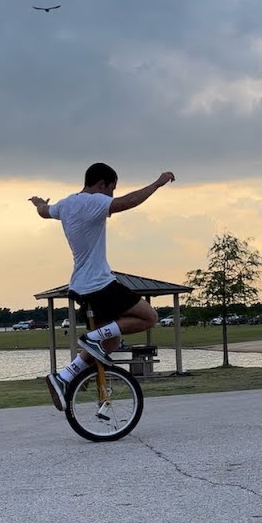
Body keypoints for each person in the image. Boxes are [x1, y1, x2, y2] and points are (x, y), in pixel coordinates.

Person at [29, 163, 175, 410]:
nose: (111, 195)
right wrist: (157, 183)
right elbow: (128, 202)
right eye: (111, 189)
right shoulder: (94, 201)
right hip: (99, 284)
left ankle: (64, 377)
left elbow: (45, 212)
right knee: (149, 317)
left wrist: (38, 203)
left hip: (80, 287)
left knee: (111, 343)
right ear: (101, 184)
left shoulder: (65, 204)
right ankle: (92, 338)